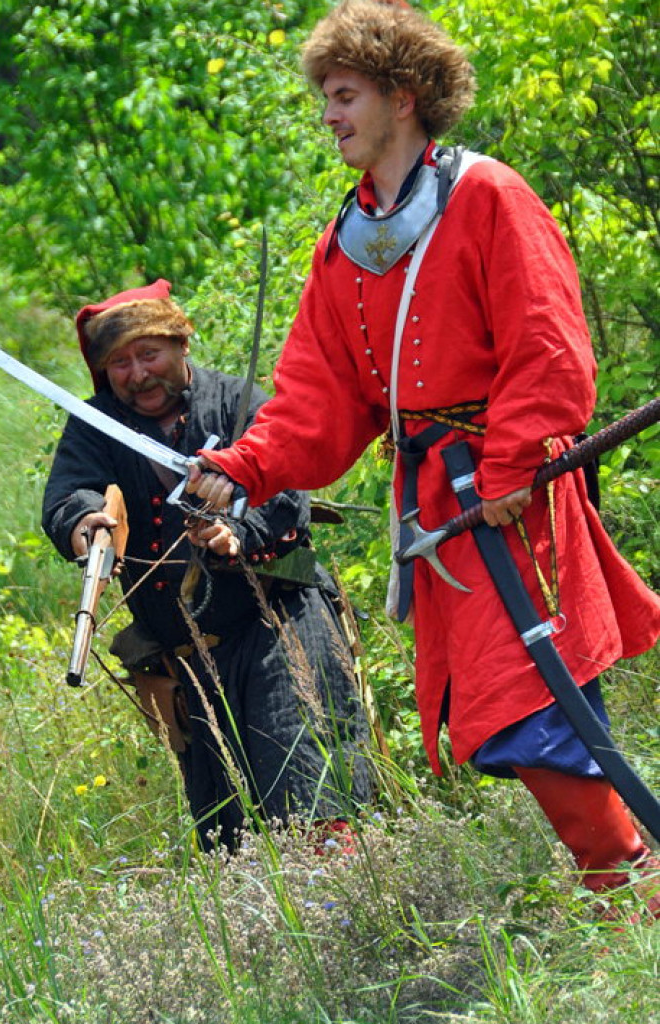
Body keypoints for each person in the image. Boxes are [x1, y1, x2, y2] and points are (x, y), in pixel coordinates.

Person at [187, 0, 660, 916]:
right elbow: (318, 400)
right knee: (512, 708)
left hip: (505, 494)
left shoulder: (487, 195)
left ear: (402, 96)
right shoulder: (344, 242)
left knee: (528, 700)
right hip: (441, 506)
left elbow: (549, 346)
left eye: (345, 95)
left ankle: (626, 882)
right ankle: (627, 881)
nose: (330, 115)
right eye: (327, 97)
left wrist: (513, 464)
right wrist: (246, 464)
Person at [41, 279, 373, 851]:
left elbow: (285, 488)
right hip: (189, 660)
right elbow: (71, 493)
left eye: (149, 354)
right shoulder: (96, 425)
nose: (138, 374)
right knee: (229, 838)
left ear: (181, 344)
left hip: (279, 626)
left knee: (313, 795)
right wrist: (86, 524)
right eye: (120, 362)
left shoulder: (237, 400)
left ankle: (338, 899)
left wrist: (235, 533)